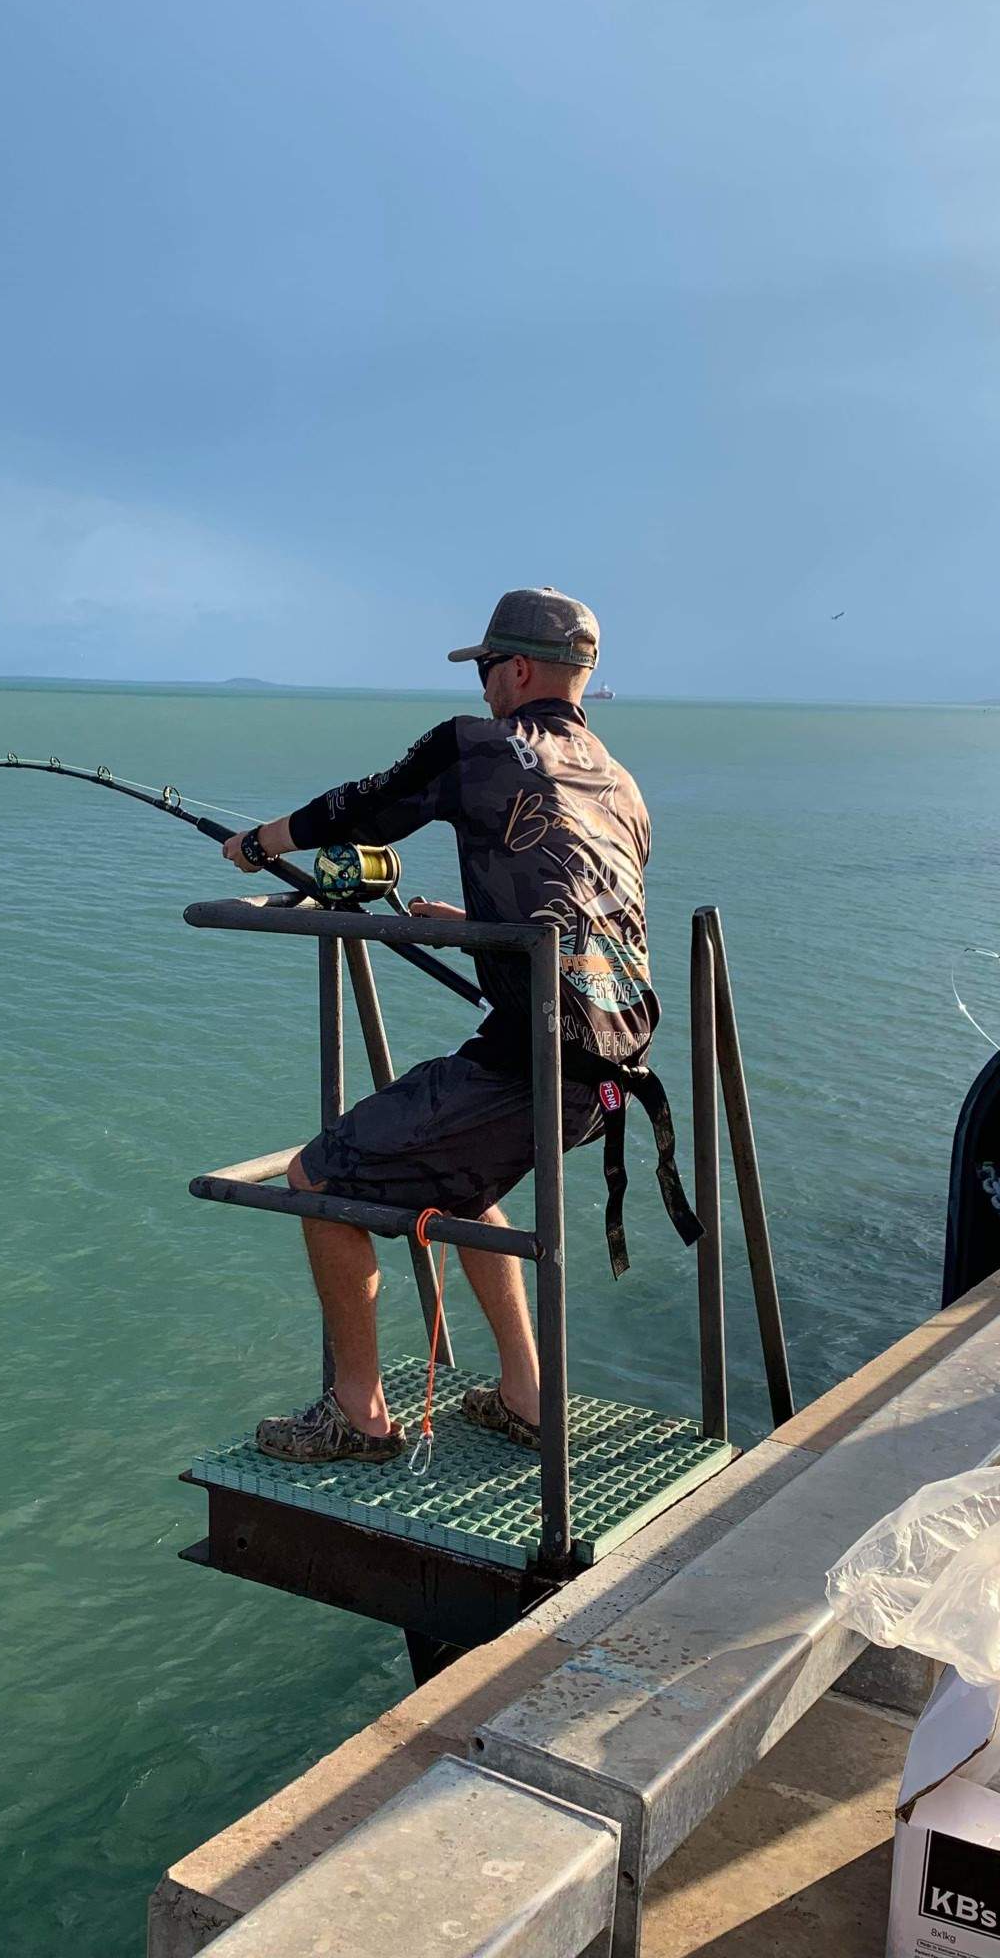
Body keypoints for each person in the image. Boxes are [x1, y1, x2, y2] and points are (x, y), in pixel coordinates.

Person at [221, 587, 696, 1465]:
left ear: (517, 669)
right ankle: (526, 1395)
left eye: (486, 669)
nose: (482, 687)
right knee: (466, 1186)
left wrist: (261, 843)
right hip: (613, 1072)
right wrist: (479, 929)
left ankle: (355, 1417)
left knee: (318, 1180)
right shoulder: (622, 785)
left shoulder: (478, 745)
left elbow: (368, 804)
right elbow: (579, 905)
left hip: (534, 1068)